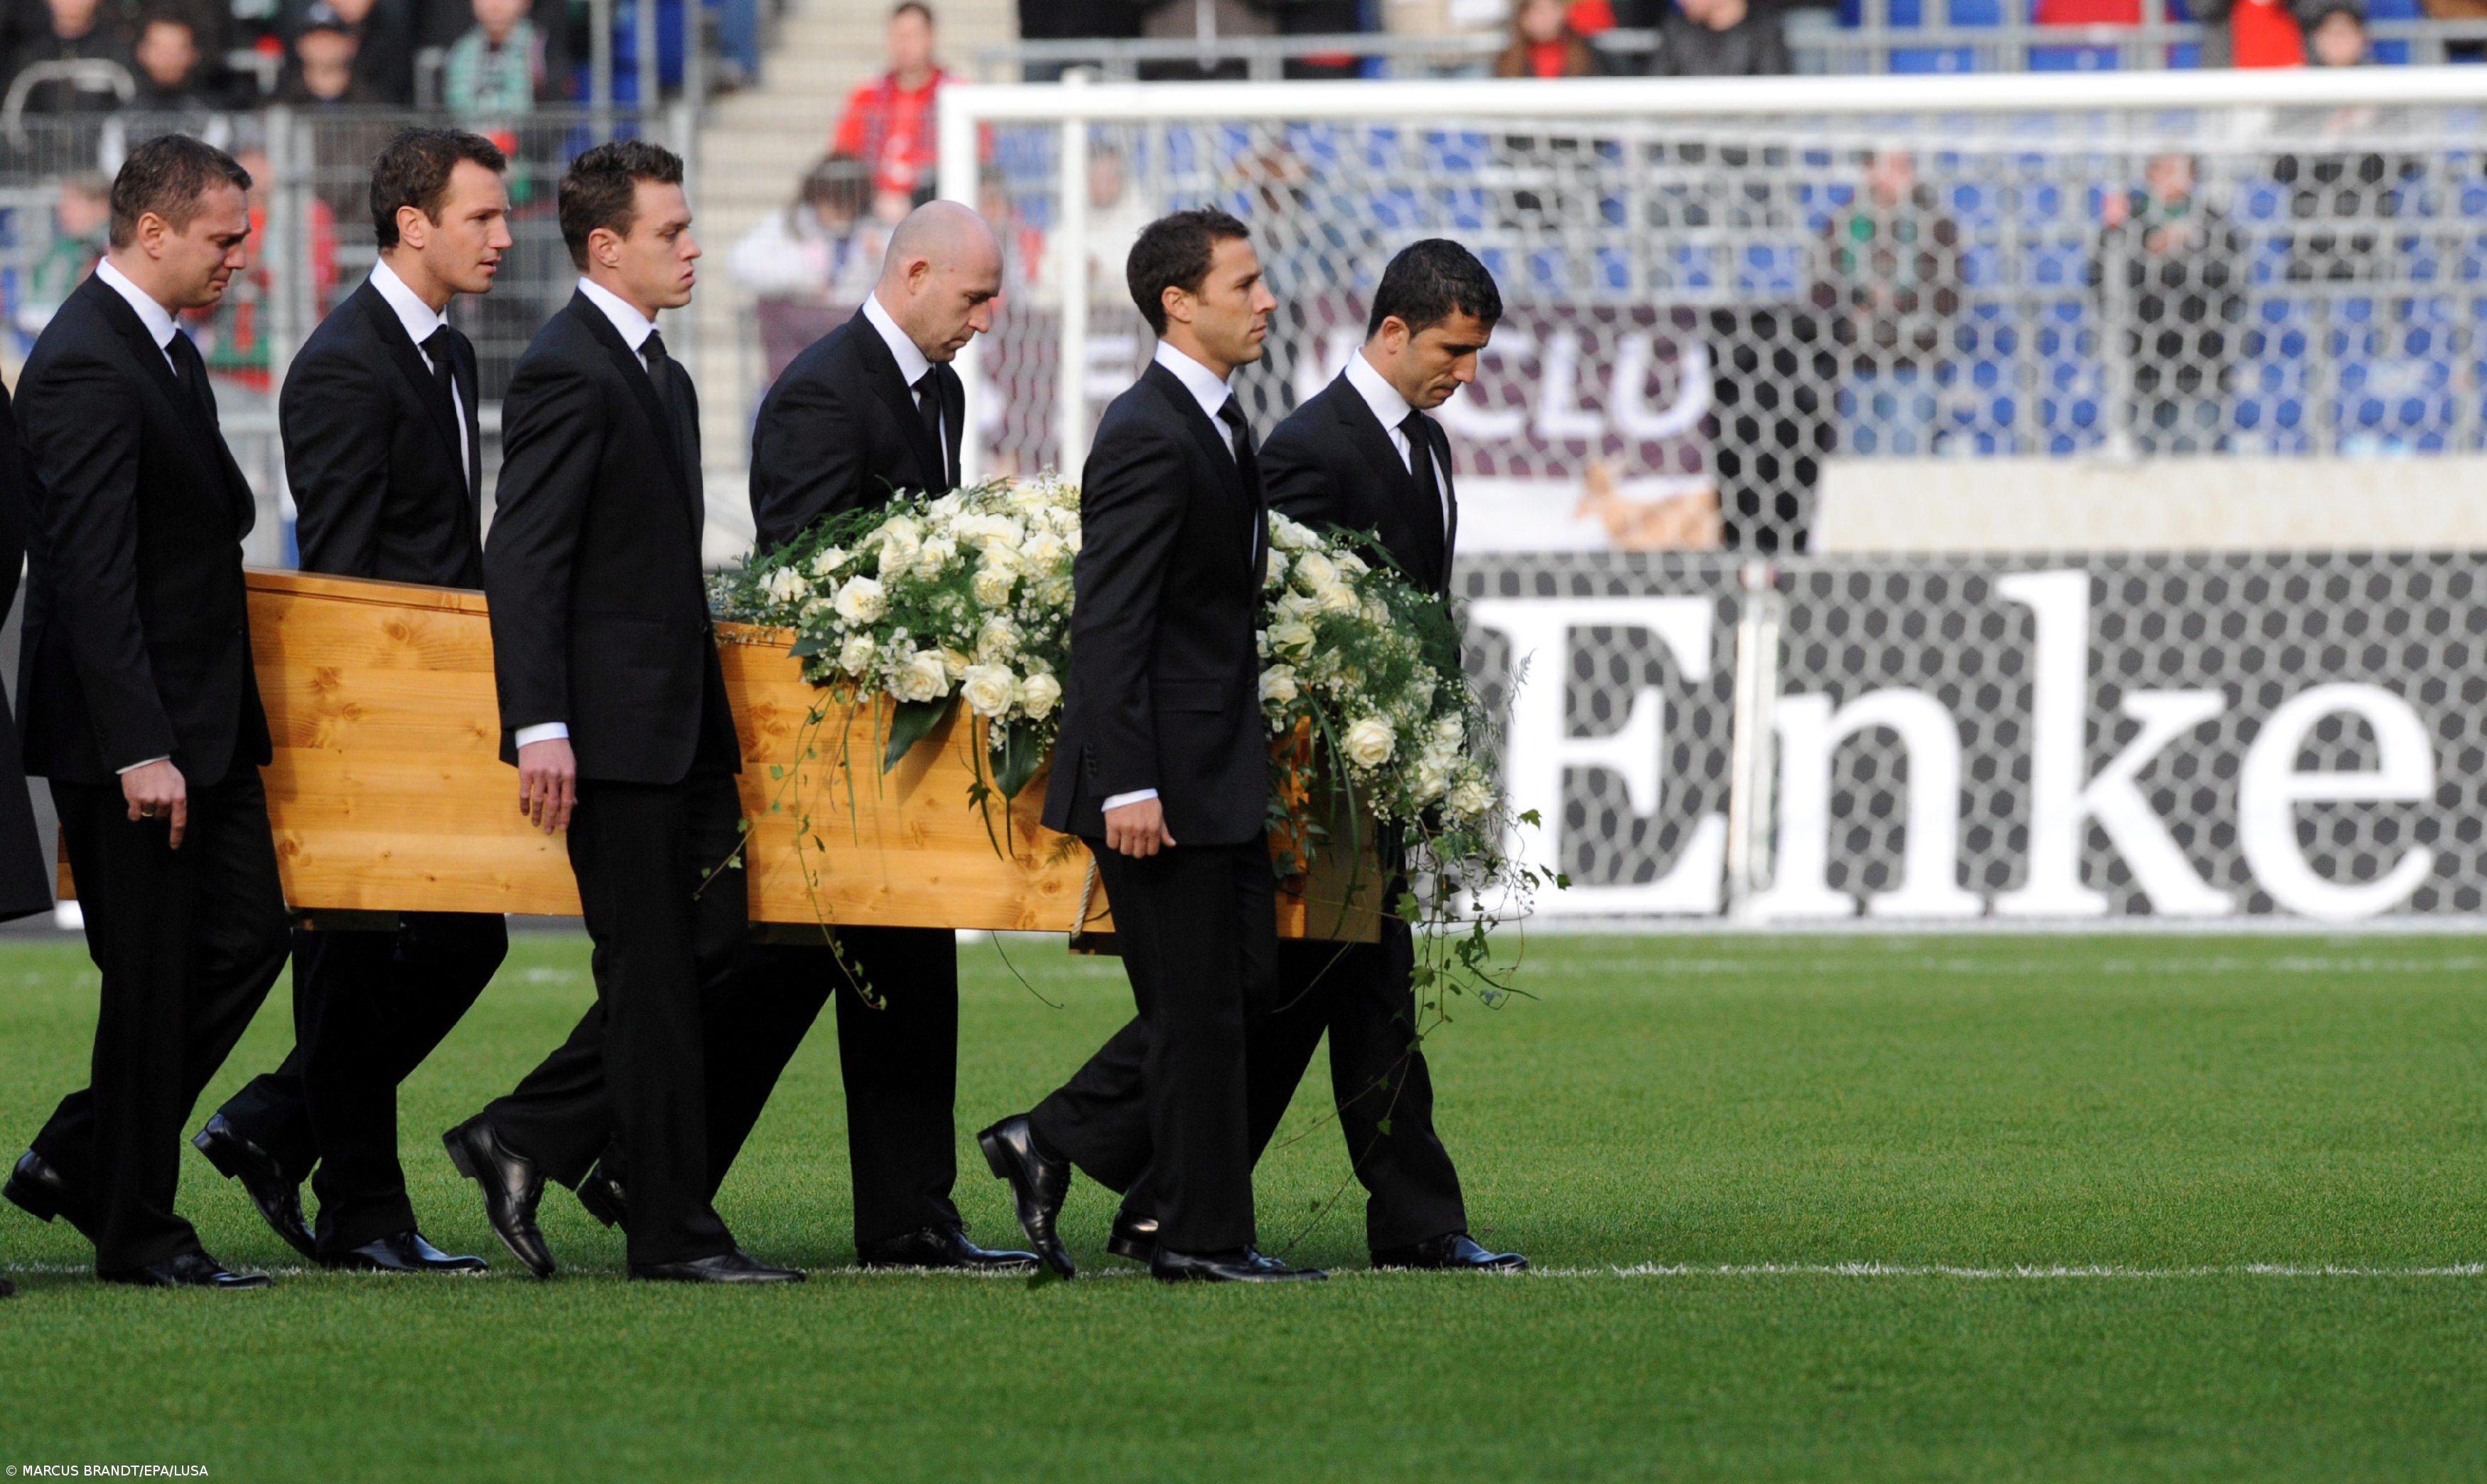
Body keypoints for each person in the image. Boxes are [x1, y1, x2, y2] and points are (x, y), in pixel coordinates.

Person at [989, 240, 1531, 1276]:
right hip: (1247, 777)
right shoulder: (1285, 442)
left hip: (1321, 774)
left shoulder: (1273, 429)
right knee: (1247, 999)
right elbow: (1168, 618)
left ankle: (1171, 1200)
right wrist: (1135, 778)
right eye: (1454, 350)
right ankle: (1127, 1180)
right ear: (1393, 332)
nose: (1465, 374)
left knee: (1297, 995)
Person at [442, 141, 804, 1286]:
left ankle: (530, 1133)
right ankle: (670, 1233)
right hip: (607, 737)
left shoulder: (663, 373)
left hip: (681, 731)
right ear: (607, 247)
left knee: (725, 948)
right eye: (671, 232)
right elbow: (527, 559)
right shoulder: (568, 368)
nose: (693, 247)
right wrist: (540, 725)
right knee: (649, 977)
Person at [651, 201, 1036, 1274]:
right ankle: (591, 1148)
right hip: (828, 738)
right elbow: (801, 574)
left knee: (901, 962)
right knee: (801, 965)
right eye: (973, 298)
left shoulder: (938, 389)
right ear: (914, 273)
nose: (984, 320)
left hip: (898, 738)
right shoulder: (822, 389)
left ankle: (909, 1215)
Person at [978, 209, 1322, 1286]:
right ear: (1179, 301)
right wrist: (1128, 780)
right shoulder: (1146, 428)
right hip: (1157, 782)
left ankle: (1060, 1140)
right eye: (1245, 283)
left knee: (1242, 990)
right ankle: (1198, 1238)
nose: (1266, 300)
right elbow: (1110, 618)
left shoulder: (1218, 420)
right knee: (1197, 1012)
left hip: (1212, 773)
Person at [197, 130, 515, 1277]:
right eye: (482, 216)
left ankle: (278, 1124)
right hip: (370, 713)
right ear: (413, 223)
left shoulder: (448, 353)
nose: (505, 235)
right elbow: (342, 570)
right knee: (353, 948)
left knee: (459, 939)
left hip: (434, 704)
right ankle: (361, 1209)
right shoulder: (344, 361)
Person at [3, 134, 288, 1291]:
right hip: (141, 740)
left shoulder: (159, 347)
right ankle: (138, 1226)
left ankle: (85, 1154)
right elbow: (87, 572)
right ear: (153, 231)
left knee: (244, 938)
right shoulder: (86, 360)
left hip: (199, 726)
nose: (239, 260)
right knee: (160, 976)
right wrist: (140, 747)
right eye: (223, 239)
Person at [1809, 149, 1964, 458]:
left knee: (1907, 463)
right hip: (1855, 363)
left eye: (1905, 166)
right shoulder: (1842, 223)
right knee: (1857, 466)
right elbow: (1820, 289)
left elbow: (1950, 292)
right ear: (1870, 171)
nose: (1899, 174)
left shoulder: (1936, 224)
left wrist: (1896, 302)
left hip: (1913, 364)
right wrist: (1859, 300)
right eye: (1890, 166)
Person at [2091, 151, 2246, 456]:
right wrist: (2140, 247)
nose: (2173, 178)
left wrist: (2184, 256)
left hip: (2202, 364)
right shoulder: (2130, 221)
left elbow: (2231, 283)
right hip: (2141, 364)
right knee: (2145, 463)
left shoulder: (2211, 221)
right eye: (2164, 170)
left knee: (2195, 457)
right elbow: (2102, 280)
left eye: (2180, 170)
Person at [831, 1, 952, 202]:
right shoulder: (866, 95)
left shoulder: (954, 94)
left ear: (931, 38)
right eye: (898, 36)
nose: (905, 44)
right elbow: (844, 155)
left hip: (933, 205)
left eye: (913, 35)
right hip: (869, 205)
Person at [727, 154, 878, 303]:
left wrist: (875, 260)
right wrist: (806, 283)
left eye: (848, 202)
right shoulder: (787, 224)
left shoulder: (873, 231)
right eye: (831, 200)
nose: (839, 210)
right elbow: (741, 265)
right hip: (795, 321)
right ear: (815, 195)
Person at [16, 174, 110, 339]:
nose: (63, 213)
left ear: (102, 206)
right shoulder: (59, 249)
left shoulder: (114, 249)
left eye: (72, 205)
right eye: (62, 206)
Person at [6, 0, 128, 114]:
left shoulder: (118, 51)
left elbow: (135, 112)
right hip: (38, 136)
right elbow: (11, 115)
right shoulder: (28, 52)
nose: (72, 2)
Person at [441, 0, 548, 118]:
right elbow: (458, 102)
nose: (495, 5)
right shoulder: (462, 49)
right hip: (472, 132)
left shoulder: (542, 47)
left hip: (527, 133)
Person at [1650, 0, 1790, 75]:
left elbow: (1774, 91)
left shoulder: (1764, 30)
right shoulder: (1677, 30)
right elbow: (1655, 87)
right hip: (1687, 126)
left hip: (1748, 126)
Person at [276, 6, 377, 104]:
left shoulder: (373, 105)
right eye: (316, 38)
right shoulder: (283, 104)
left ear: (351, 44)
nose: (324, 45)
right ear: (300, 45)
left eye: (332, 38)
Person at [1494, 0, 1604, 76]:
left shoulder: (1589, 55)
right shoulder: (1505, 61)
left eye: (1551, 10)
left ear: (1563, 12)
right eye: (1538, 11)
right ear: (1523, 18)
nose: (1545, 18)